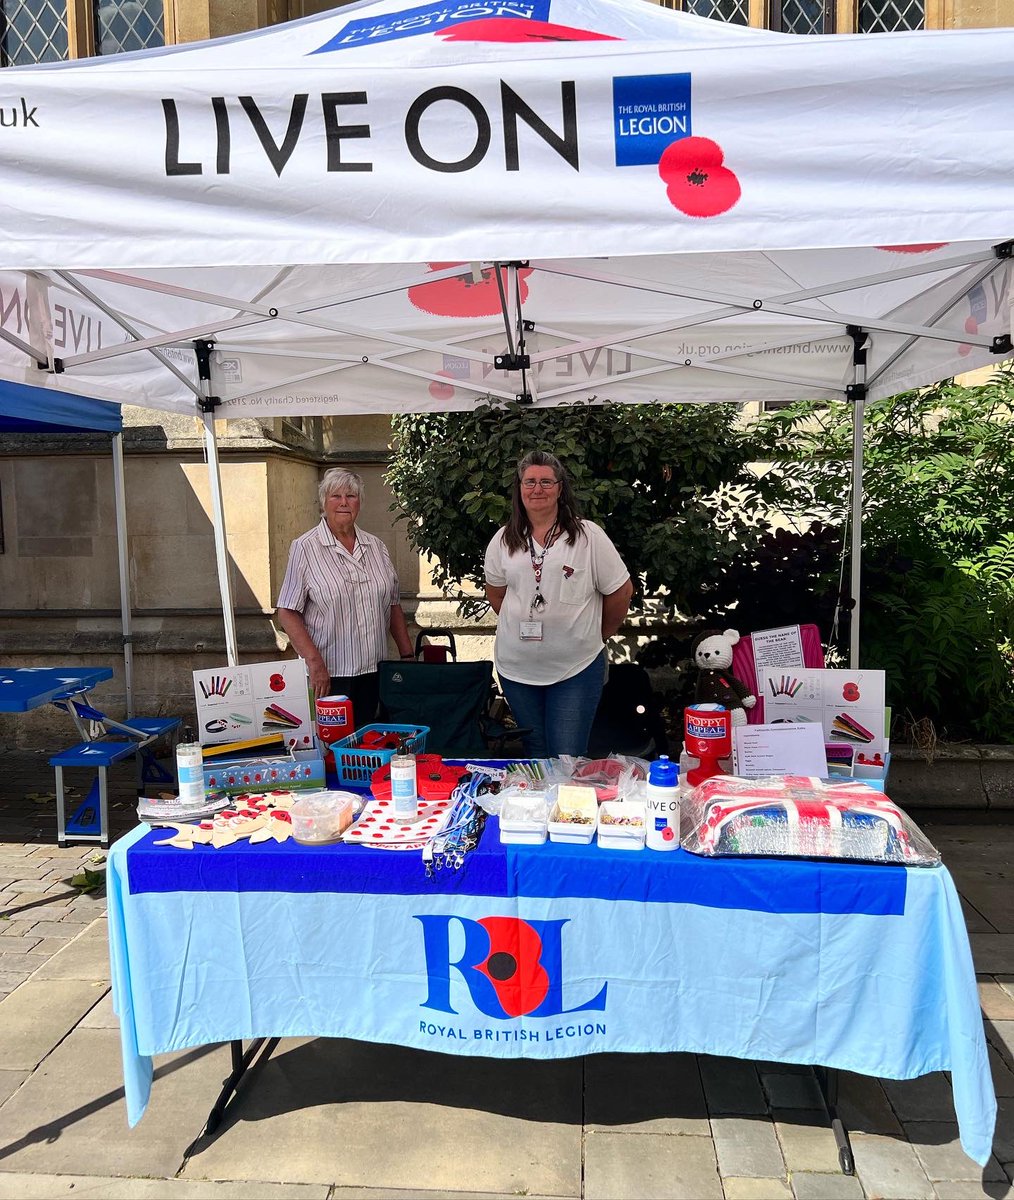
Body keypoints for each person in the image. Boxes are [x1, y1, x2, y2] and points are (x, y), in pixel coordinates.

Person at [484, 450, 633, 758]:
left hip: (575, 669)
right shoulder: (503, 540)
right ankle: (541, 809)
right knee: (536, 752)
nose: (537, 489)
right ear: (520, 488)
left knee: (567, 757)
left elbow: (621, 593)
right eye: (530, 482)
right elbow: (496, 594)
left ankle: (566, 808)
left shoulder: (588, 536)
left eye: (546, 482)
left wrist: (598, 635)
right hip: (517, 671)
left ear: (560, 488)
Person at [275, 468, 414, 722]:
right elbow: (287, 610)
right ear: (323, 503)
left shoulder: (376, 547)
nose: (343, 502)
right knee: (333, 750)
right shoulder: (305, 548)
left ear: (359, 502)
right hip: (330, 675)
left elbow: (392, 604)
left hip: (375, 670)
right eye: (335, 496)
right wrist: (314, 662)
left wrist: (407, 657)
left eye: (350, 496)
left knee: (370, 745)